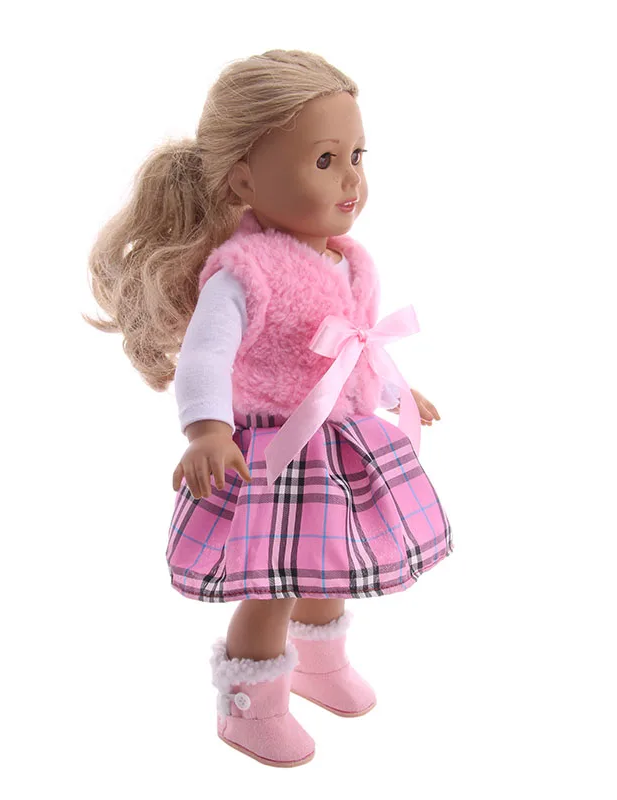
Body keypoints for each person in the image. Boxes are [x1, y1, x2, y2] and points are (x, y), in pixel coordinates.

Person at [85, 49, 453, 769]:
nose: (351, 178)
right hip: (273, 454)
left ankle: (320, 664)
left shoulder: (348, 258)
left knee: (331, 560)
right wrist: (207, 429)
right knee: (274, 586)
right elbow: (205, 358)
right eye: (324, 160)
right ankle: (251, 708)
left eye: (357, 155)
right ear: (244, 180)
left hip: (339, 443)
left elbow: (352, 347)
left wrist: (394, 391)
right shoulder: (243, 272)